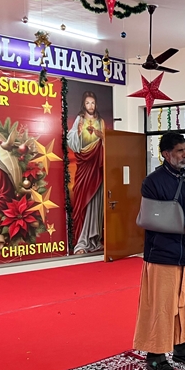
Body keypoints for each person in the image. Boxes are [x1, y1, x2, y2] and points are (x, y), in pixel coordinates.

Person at [133, 132, 185, 370]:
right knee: (161, 306)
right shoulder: (152, 182)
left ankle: (182, 347)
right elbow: (150, 219)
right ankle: (155, 354)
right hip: (162, 254)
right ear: (166, 154)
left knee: (184, 304)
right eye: (179, 151)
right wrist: (182, 228)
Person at [67, 91, 106, 254]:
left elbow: (108, 142)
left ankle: (95, 239)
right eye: (88, 103)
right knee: (84, 200)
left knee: (96, 202)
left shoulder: (101, 121)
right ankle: (83, 241)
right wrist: (77, 132)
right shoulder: (80, 120)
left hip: (97, 167)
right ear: (84, 104)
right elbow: (71, 140)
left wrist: (102, 136)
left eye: (93, 103)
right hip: (85, 166)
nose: (90, 106)